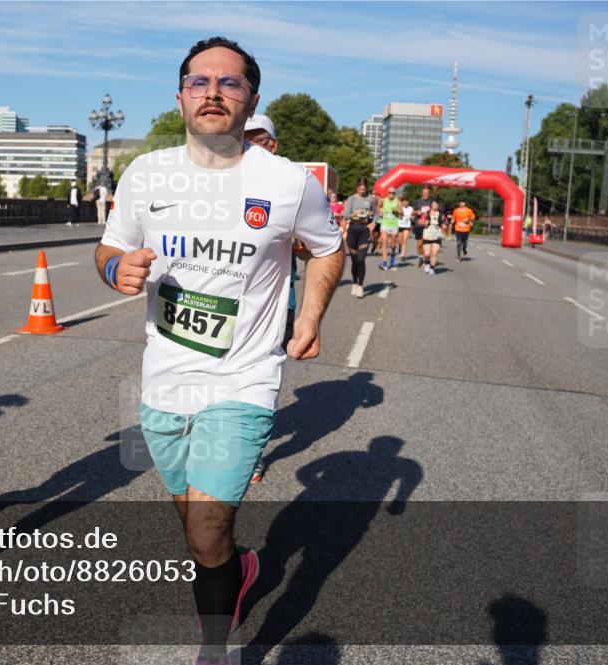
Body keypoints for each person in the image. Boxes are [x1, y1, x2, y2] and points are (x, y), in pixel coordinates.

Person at [95, 36, 343, 665]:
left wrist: (309, 316)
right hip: (164, 378)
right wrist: (115, 269)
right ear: (179, 96)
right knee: (198, 527)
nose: (212, 92)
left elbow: (329, 246)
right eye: (198, 81)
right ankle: (242, 569)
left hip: (245, 376)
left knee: (207, 525)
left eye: (229, 83)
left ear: (251, 99)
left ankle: (215, 650)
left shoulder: (287, 184)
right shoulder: (147, 173)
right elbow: (108, 247)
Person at [244, 113, 303, 352]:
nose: (250, 148)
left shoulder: (293, 185)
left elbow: (323, 249)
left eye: (258, 140)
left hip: (274, 306)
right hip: (227, 301)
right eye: (243, 140)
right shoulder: (222, 183)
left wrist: (311, 315)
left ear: (273, 145)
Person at [377, 187, 400, 270]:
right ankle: (384, 262)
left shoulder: (397, 201)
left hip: (394, 225)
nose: (391, 194)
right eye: (389, 192)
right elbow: (378, 207)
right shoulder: (383, 200)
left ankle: (393, 257)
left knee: (393, 245)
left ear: (395, 194)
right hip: (385, 224)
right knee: (385, 243)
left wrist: (396, 211)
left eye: (393, 193)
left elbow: (402, 213)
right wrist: (380, 211)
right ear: (387, 193)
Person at [413, 185, 436, 267]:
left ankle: (427, 260)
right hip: (419, 224)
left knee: (427, 243)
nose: (426, 194)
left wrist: (430, 219)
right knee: (420, 244)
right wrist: (417, 213)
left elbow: (437, 210)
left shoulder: (432, 201)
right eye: (424, 193)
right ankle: (420, 258)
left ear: (429, 193)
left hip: (429, 226)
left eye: (427, 193)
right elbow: (412, 213)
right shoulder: (417, 202)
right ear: (422, 193)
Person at [421, 200, 443, 275]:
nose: (435, 205)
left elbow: (444, 222)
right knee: (427, 254)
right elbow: (420, 222)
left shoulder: (440, 214)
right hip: (427, 235)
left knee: (434, 252)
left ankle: (432, 268)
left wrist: (444, 225)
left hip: (437, 235)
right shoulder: (426, 213)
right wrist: (424, 223)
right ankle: (427, 263)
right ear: (431, 205)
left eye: (436, 204)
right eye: (434, 204)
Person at [398, 196, 414, 261]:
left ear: (409, 202)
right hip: (399, 225)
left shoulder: (411, 208)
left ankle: (403, 254)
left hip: (407, 226)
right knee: (400, 241)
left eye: (407, 201)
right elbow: (397, 216)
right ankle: (400, 248)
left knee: (405, 240)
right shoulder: (400, 208)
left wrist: (412, 217)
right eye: (404, 201)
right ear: (402, 202)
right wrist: (399, 215)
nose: (405, 202)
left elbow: (413, 216)